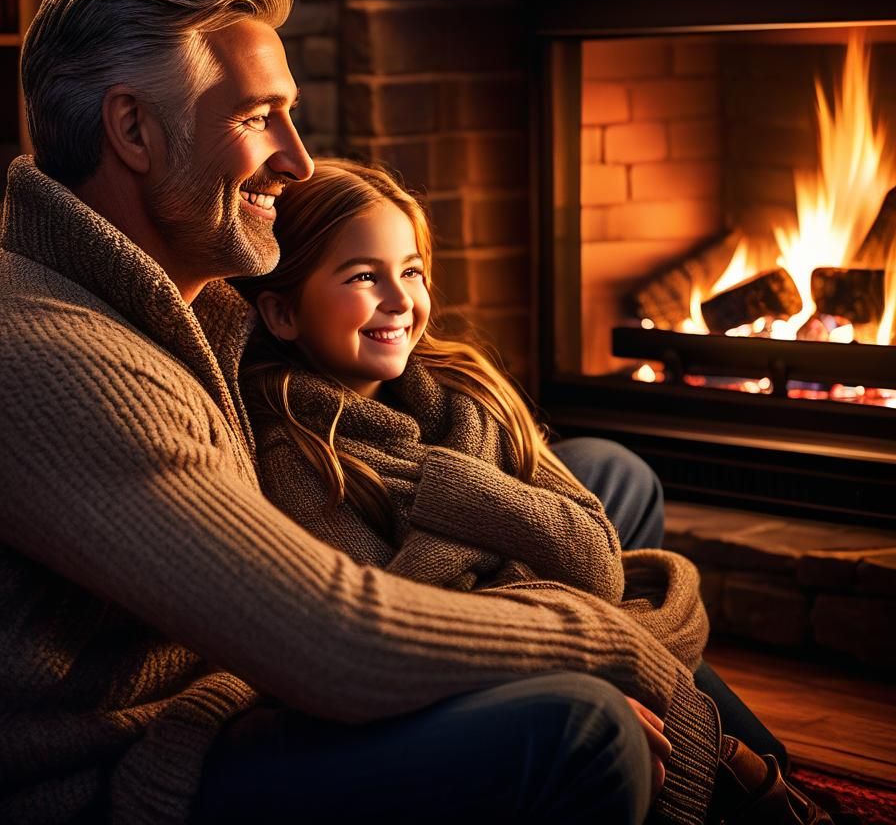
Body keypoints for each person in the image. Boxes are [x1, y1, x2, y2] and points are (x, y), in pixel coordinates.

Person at [0, 0, 819, 825]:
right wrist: (604, 639)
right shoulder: (56, 357)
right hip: (143, 774)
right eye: (259, 117)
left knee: (603, 478)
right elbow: (333, 639)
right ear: (132, 131)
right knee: (585, 726)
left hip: (240, 694)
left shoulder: (181, 300)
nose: (297, 161)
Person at [235, 157, 831, 825]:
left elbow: (597, 565)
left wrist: (452, 497)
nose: (400, 300)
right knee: (723, 762)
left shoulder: (465, 393)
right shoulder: (299, 459)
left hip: (539, 614)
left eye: (412, 271)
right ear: (283, 312)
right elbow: (401, 626)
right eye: (363, 277)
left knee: (760, 748)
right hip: (468, 665)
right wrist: (503, 538)